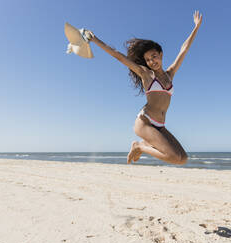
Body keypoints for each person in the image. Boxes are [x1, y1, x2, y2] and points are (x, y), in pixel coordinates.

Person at [84, 10, 202, 165]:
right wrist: (95, 40)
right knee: (173, 157)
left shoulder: (170, 74)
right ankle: (139, 146)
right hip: (144, 122)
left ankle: (142, 145)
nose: (152, 61)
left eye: (154, 56)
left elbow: (184, 49)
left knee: (183, 158)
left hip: (160, 125)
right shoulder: (146, 74)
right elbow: (118, 56)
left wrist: (196, 27)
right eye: (148, 60)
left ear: (160, 54)